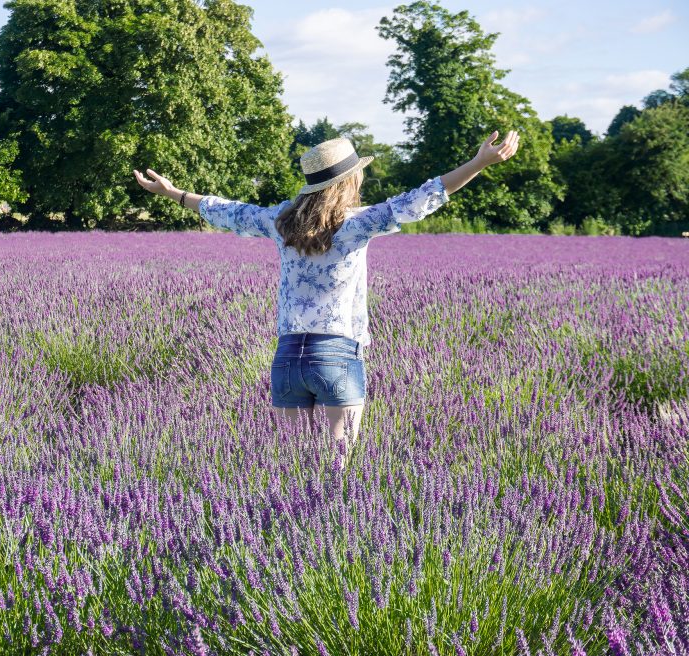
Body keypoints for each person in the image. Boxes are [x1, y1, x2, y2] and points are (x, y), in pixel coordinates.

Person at [133, 130, 519, 450]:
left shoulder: (280, 222)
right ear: (350, 180)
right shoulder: (354, 225)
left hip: (287, 359)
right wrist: (480, 163)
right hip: (335, 354)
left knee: (291, 472)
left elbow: (229, 210)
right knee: (332, 478)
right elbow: (421, 198)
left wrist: (173, 194)